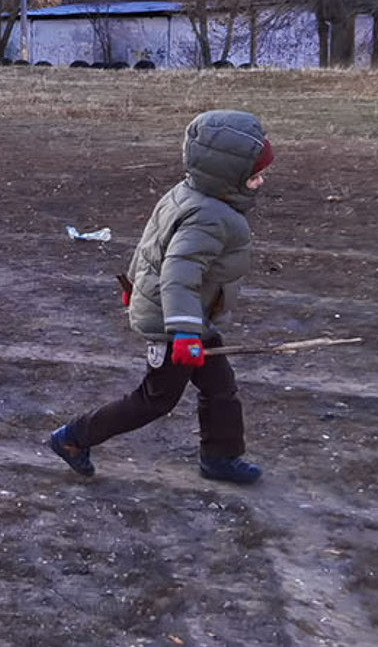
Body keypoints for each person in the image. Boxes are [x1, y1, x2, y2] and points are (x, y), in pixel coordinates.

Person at [48, 109, 274, 485]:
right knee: (154, 400)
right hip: (178, 325)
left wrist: (134, 286)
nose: (261, 181)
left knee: (220, 387)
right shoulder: (210, 216)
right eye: (254, 176)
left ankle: (221, 456)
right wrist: (183, 333)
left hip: (193, 318)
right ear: (227, 176)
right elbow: (176, 272)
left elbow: (152, 244)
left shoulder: (188, 193)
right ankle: (72, 438)